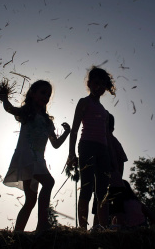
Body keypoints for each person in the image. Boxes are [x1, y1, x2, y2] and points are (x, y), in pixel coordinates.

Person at [0, 80, 71, 232]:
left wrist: (66, 133)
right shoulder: (27, 113)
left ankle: (17, 234)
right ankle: (43, 224)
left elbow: (55, 144)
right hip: (26, 156)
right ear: (32, 93)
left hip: (39, 160)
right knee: (49, 182)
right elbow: (10, 109)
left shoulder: (47, 121)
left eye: (48, 95)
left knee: (30, 201)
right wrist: (4, 98)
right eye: (43, 92)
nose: (46, 97)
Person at [67, 66, 116, 229]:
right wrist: (71, 153)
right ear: (89, 83)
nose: (99, 87)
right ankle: (82, 228)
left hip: (103, 150)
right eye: (96, 83)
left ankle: (103, 227)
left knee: (103, 190)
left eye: (103, 84)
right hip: (87, 145)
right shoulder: (84, 102)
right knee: (87, 186)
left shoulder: (105, 112)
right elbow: (74, 130)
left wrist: (112, 158)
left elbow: (108, 137)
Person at [91, 113, 128, 228]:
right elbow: (122, 161)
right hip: (114, 180)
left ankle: (98, 231)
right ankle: (113, 230)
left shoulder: (102, 140)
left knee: (101, 209)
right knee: (115, 212)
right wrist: (118, 176)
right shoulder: (116, 142)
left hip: (105, 181)